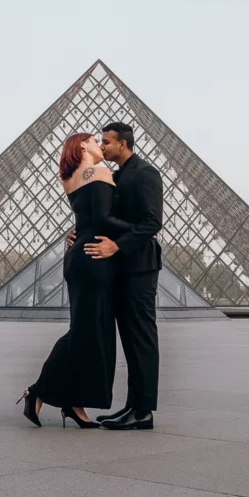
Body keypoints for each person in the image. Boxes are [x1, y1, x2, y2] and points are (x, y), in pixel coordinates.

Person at [17, 133, 129, 428]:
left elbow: (88, 217)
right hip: (94, 257)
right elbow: (103, 219)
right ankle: (37, 390)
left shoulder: (70, 178)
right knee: (85, 331)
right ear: (82, 145)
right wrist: (141, 228)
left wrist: (77, 231)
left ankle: (74, 403)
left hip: (80, 255)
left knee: (90, 331)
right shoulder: (99, 172)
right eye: (95, 141)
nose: (100, 146)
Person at [79, 122, 164, 430]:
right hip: (122, 268)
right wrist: (79, 232)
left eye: (106, 142)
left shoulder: (145, 173)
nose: (101, 146)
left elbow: (153, 222)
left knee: (141, 338)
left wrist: (117, 245)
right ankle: (133, 405)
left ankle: (143, 412)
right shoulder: (117, 176)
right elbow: (110, 219)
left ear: (123, 144)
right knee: (130, 339)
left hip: (139, 267)